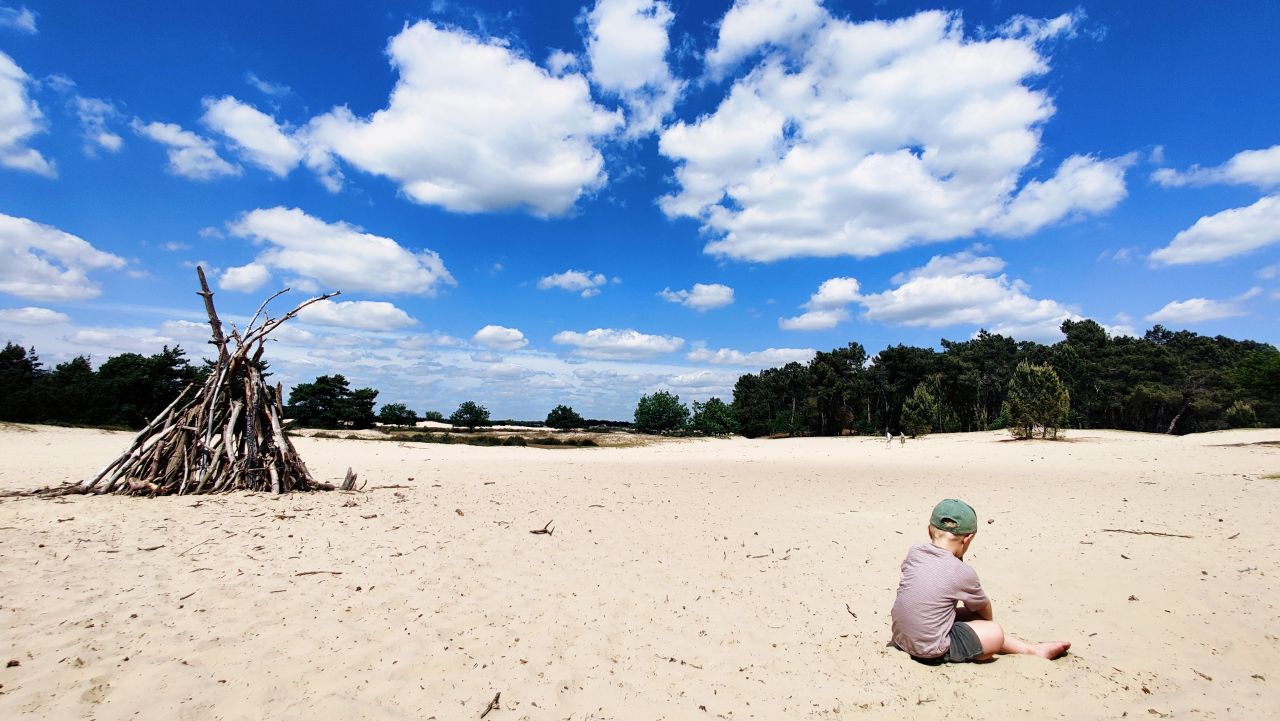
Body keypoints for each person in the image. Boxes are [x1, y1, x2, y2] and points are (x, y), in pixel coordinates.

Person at [890, 498, 1070, 663]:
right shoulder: (961, 571)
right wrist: (982, 621)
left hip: (901, 638)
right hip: (930, 650)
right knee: (994, 632)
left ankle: (1031, 649)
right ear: (968, 539)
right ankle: (1032, 651)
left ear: (929, 530)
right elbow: (984, 611)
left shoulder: (914, 553)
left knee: (946, 613)